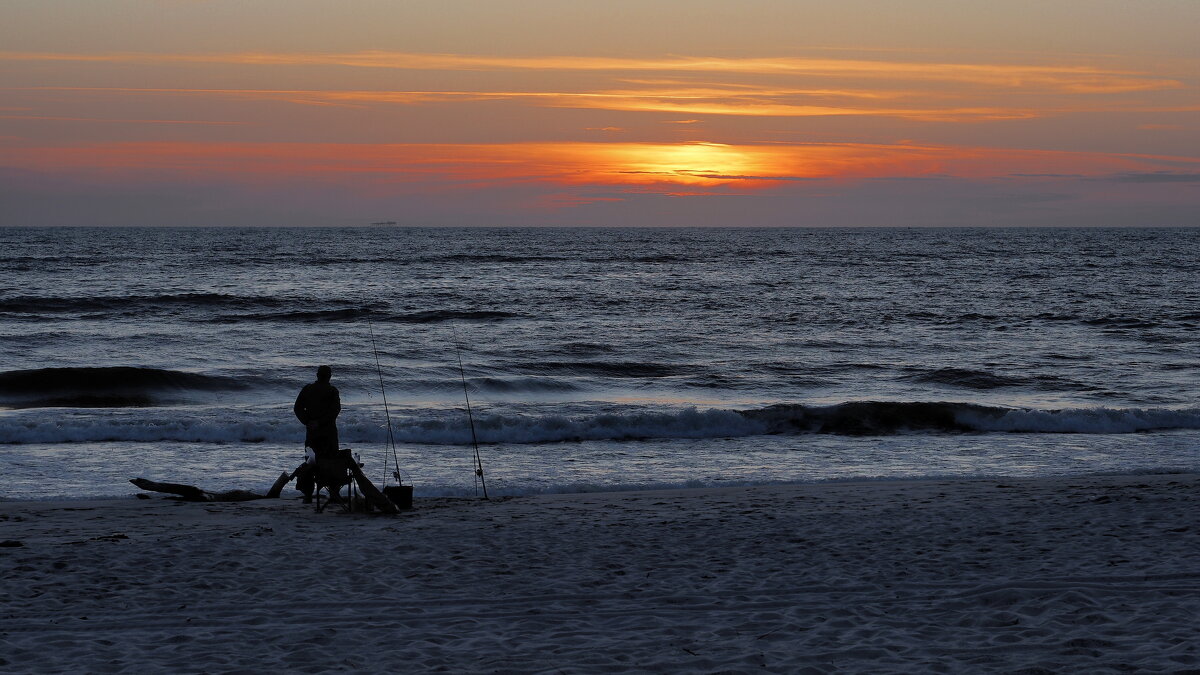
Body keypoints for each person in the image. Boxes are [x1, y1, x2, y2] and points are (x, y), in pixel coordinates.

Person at [293, 365, 341, 503]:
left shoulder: (307, 389)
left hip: (312, 433)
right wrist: (320, 422)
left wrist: (308, 421)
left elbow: (297, 408)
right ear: (329, 376)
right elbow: (335, 410)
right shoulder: (332, 391)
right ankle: (333, 493)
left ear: (317, 375)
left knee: (310, 463)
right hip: (329, 434)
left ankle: (308, 495)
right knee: (332, 461)